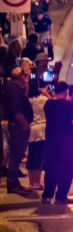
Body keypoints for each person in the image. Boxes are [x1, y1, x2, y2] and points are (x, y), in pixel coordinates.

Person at [41, 81, 73, 205]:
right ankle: (61, 196)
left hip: (51, 142)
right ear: (66, 92)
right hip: (67, 143)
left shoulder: (48, 105)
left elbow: (53, 102)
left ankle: (47, 195)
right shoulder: (70, 106)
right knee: (67, 169)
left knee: (51, 168)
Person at [5, 65, 35, 196]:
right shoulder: (15, 91)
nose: (26, 78)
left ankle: (14, 182)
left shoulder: (14, 89)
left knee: (16, 155)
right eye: (24, 76)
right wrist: (25, 125)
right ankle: (12, 183)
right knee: (16, 155)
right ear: (19, 77)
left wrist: (26, 89)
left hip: (17, 126)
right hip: (18, 127)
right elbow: (17, 112)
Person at [26, 83, 49, 191]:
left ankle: (31, 183)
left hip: (31, 128)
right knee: (39, 157)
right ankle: (37, 182)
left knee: (31, 156)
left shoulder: (28, 100)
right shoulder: (43, 99)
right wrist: (45, 93)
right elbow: (54, 103)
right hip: (42, 129)